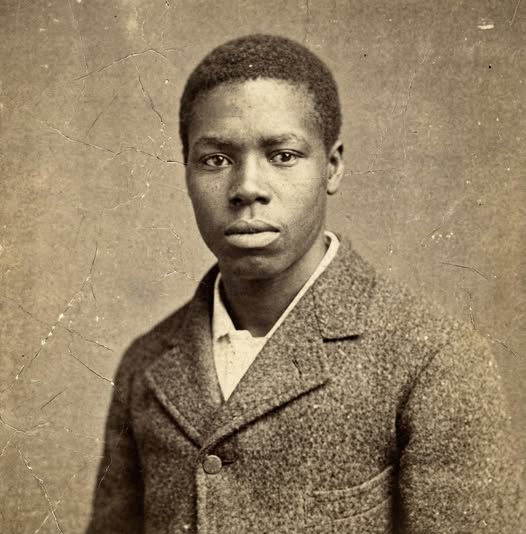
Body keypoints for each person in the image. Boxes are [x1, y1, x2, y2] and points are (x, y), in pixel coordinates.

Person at [86, 34, 522, 533]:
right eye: (216, 160)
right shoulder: (145, 363)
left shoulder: (433, 358)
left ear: (331, 168)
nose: (247, 188)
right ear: (186, 170)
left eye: (283, 155)